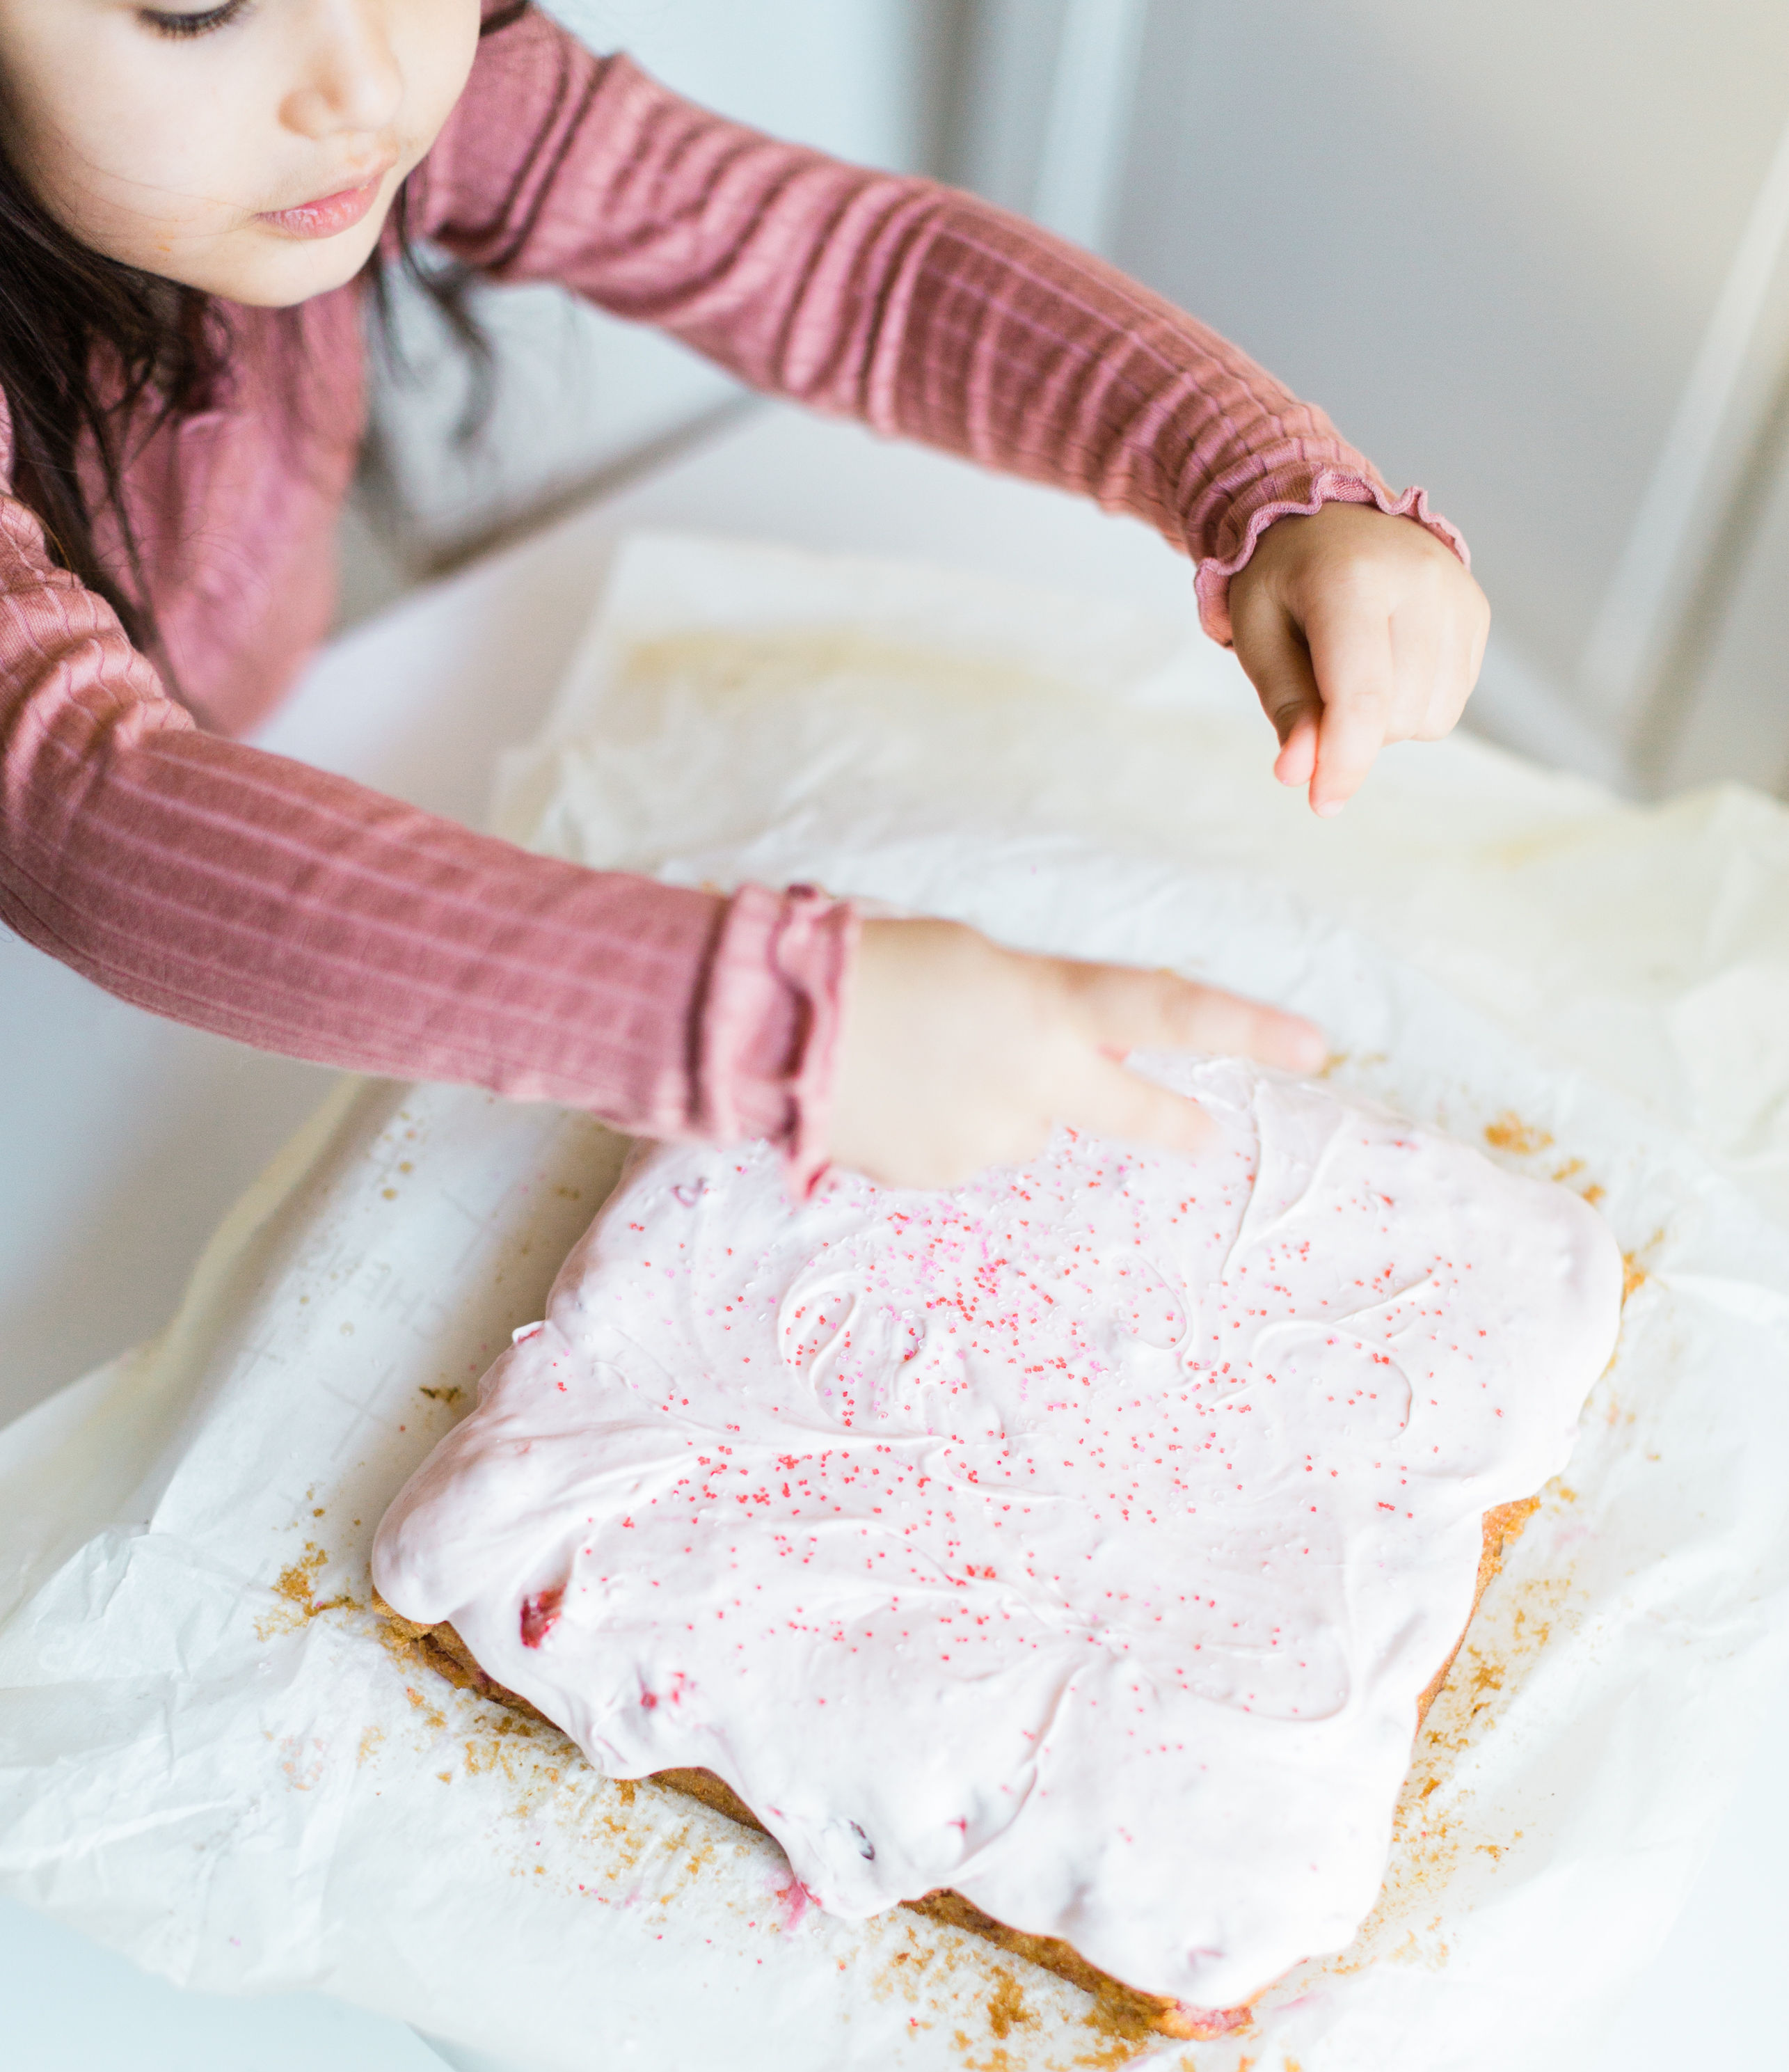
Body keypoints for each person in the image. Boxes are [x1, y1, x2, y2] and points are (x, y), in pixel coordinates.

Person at [0, 0, 1488, 1191]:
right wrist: (766, 1025)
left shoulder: (357, 94)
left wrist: (1251, 473)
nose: (362, 79)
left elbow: (847, 274)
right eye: (193, 8)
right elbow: (80, 816)